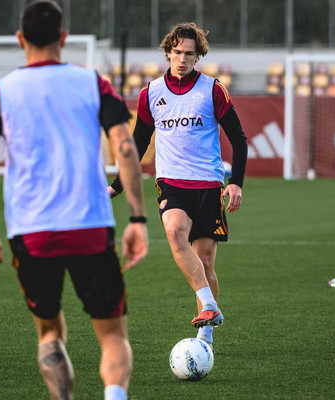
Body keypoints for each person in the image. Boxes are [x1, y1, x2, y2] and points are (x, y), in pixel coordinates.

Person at [0, 2, 148, 400]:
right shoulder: (93, 83)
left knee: (49, 333)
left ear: (20, 39)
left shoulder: (0, 92)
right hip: (90, 227)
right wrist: (137, 218)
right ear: (63, 38)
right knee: (112, 336)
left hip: (32, 232)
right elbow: (125, 148)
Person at [109, 22, 247, 349]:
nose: (182, 59)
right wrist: (116, 185)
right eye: (177, 52)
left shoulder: (213, 90)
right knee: (174, 232)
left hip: (208, 183)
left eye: (189, 54)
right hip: (171, 183)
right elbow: (139, 142)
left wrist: (236, 183)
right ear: (168, 53)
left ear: (198, 57)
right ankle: (209, 305)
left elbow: (239, 139)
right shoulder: (151, 93)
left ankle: (206, 334)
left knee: (205, 262)